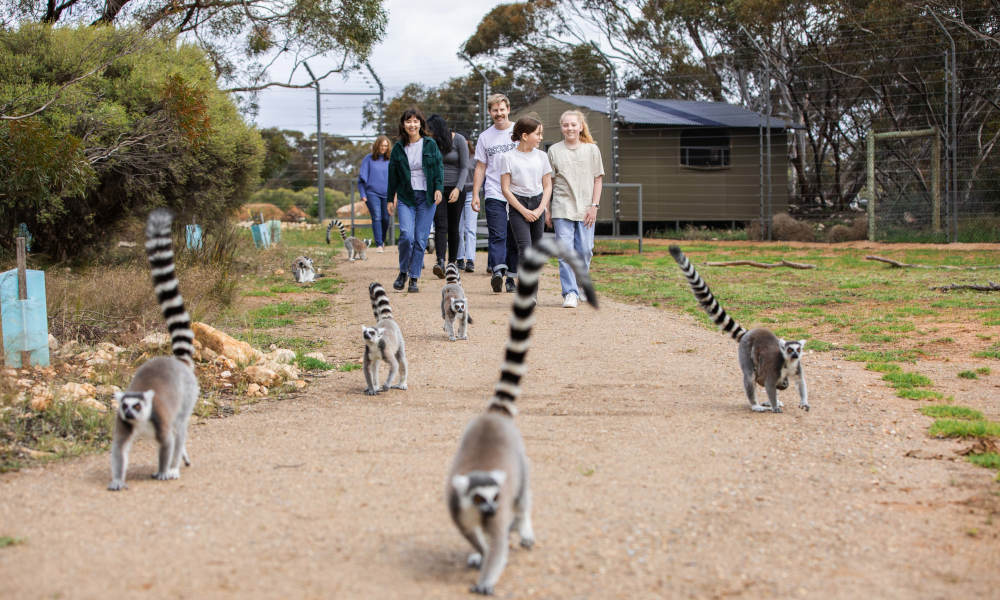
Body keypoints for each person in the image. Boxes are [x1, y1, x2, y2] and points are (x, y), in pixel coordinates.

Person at [546, 109, 604, 308]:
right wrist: (547, 208)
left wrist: (594, 206)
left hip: (586, 209)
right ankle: (569, 292)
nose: (569, 128)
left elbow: (598, 179)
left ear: (580, 126)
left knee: (585, 250)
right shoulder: (554, 151)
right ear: (561, 128)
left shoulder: (592, 150)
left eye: (573, 124)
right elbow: (549, 183)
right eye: (565, 125)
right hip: (562, 207)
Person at [387, 108, 443, 293]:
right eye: (408, 121)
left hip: (426, 197)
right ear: (403, 125)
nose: (412, 124)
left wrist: (438, 189)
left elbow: (438, 168)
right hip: (406, 197)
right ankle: (403, 271)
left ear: (421, 123)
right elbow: (392, 176)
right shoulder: (398, 148)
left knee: (420, 239)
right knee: (406, 235)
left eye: (415, 121)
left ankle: (413, 277)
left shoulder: (430, 144)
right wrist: (390, 198)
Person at [472, 93, 519, 293]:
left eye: (502, 110)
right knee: (497, 234)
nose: (499, 114)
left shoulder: (519, 131)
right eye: (494, 110)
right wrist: (475, 194)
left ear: (508, 109)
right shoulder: (485, 137)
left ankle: (512, 277)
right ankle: (498, 270)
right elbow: (480, 168)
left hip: (518, 193)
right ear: (490, 112)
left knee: (514, 237)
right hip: (494, 192)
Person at [500, 117, 552, 294]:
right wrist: (523, 211)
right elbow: (505, 189)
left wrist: (540, 209)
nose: (540, 137)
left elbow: (547, 185)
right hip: (517, 205)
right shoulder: (508, 157)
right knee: (525, 249)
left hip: (537, 203)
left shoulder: (542, 156)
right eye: (537, 134)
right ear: (524, 135)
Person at [426, 115, 470, 278]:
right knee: (440, 225)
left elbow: (465, 167)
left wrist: (458, 189)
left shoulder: (458, 140)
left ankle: (452, 263)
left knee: (454, 227)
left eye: (430, 130)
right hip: (438, 189)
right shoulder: (432, 143)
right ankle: (439, 262)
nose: (428, 133)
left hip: (456, 189)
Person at [358, 135, 391, 252]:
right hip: (372, 193)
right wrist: (363, 194)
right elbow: (361, 180)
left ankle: (382, 240)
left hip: (388, 194)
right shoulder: (369, 159)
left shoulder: (390, 160)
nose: (384, 148)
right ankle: (379, 244)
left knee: (386, 218)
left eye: (386, 146)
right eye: (382, 145)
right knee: (376, 217)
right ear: (377, 146)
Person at [455, 138, 477, 273]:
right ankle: (459, 257)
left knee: (470, 227)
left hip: (470, 193)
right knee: (458, 228)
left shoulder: (474, 158)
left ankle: (470, 259)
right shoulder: (455, 158)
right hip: (457, 193)